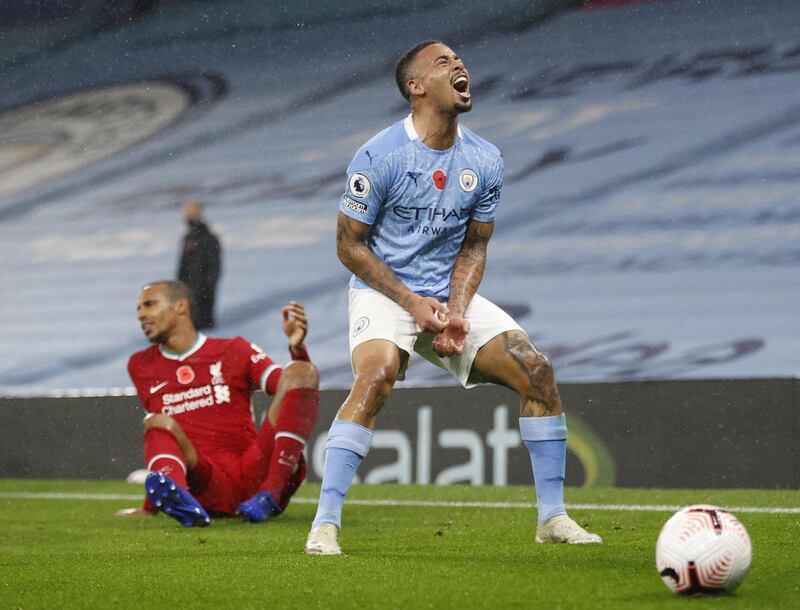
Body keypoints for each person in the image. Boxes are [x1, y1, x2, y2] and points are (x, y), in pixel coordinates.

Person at [305, 40, 602, 555]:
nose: (459, 65)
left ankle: (553, 517)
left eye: (459, 60)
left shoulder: (485, 159)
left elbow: (475, 245)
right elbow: (347, 244)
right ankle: (325, 523)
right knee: (374, 378)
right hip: (384, 289)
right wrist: (409, 300)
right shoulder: (379, 157)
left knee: (536, 369)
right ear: (416, 87)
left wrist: (457, 313)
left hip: (446, 291)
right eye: (443, 62)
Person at [123, 280, 319, 527]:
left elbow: (293, 388)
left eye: (149, 305)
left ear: (181, 307)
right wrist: (148, 507)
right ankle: (183, 502)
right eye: (139, 308)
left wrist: (297, 349)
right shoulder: (140, 365)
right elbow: (161, 441)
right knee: (156, 422)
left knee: (302, 371)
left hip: (253, 470)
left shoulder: (234, 349)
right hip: (204, 482)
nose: (141, 314)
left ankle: (271, 493)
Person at [177, 199, 221, 330]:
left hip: (203, 289)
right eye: (186, 214)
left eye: (191, 213)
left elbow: (214, 266)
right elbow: (183, 265)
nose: (187, 217)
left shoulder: (208, 237)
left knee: (204, 325)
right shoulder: (188, 237)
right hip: (188, 288)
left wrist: (208, 285)